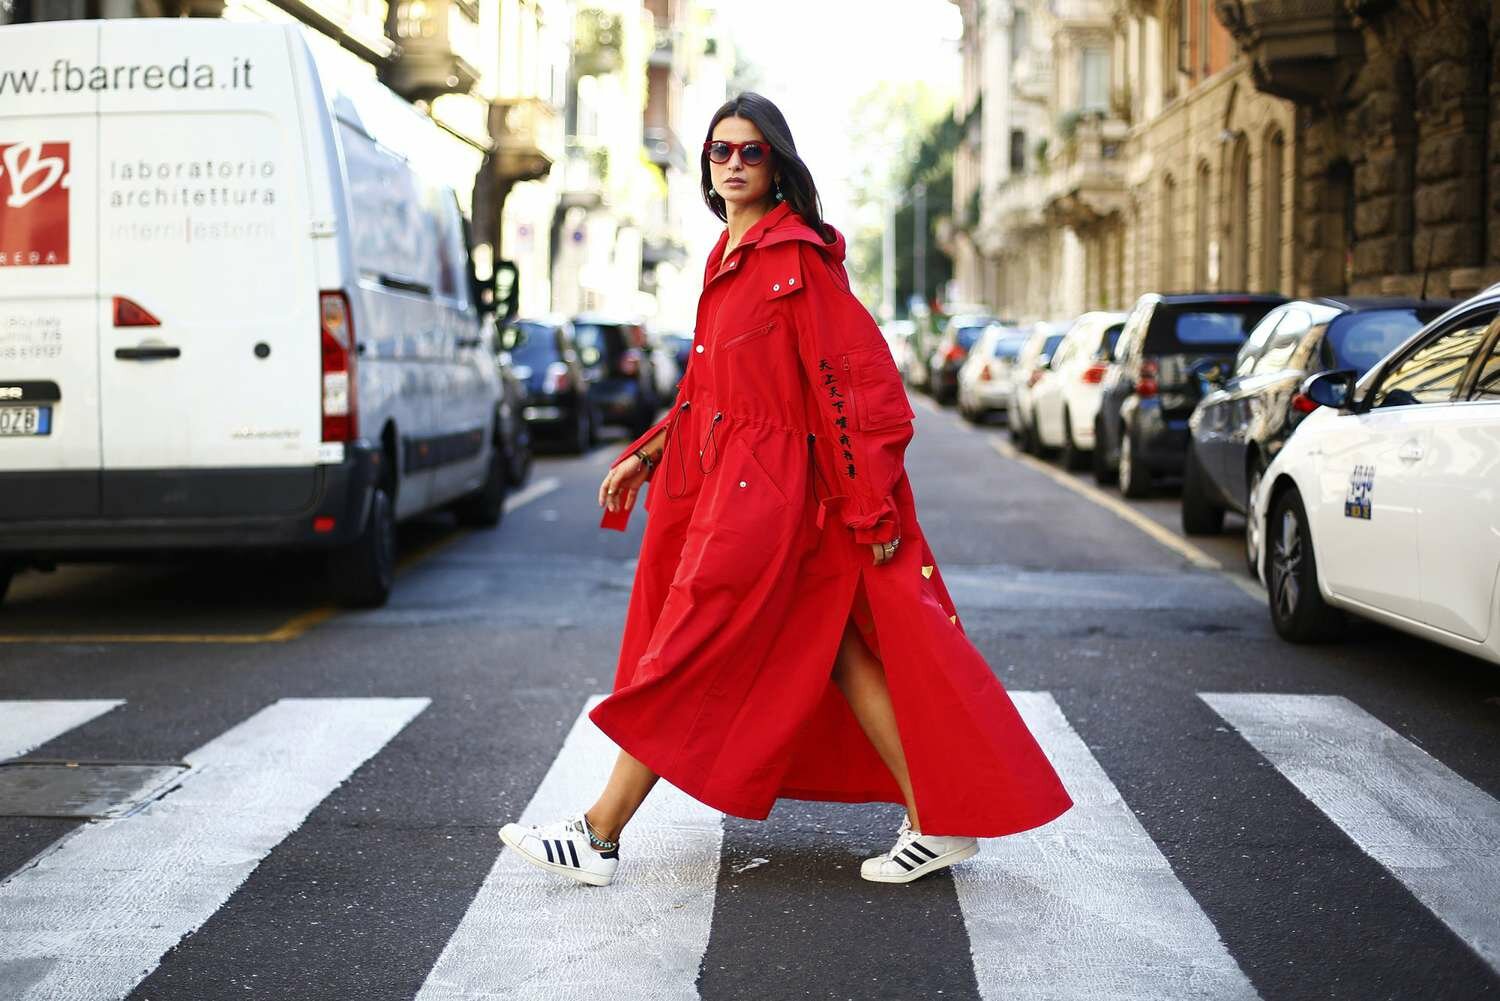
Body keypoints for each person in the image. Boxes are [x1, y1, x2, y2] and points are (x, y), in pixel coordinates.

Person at [499, 93, 1072, 887]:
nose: (732, 164)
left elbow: (853, 384)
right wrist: (652, 450)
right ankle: (939, 818)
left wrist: (870, 501)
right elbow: (707, 381)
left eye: (750, 152)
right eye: (720, 151)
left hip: (771, 499)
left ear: (778, 166)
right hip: (734, 488)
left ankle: (598, 834)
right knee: (836, 652)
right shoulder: (726, 254)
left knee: (689, 648)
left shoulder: (793, 259)